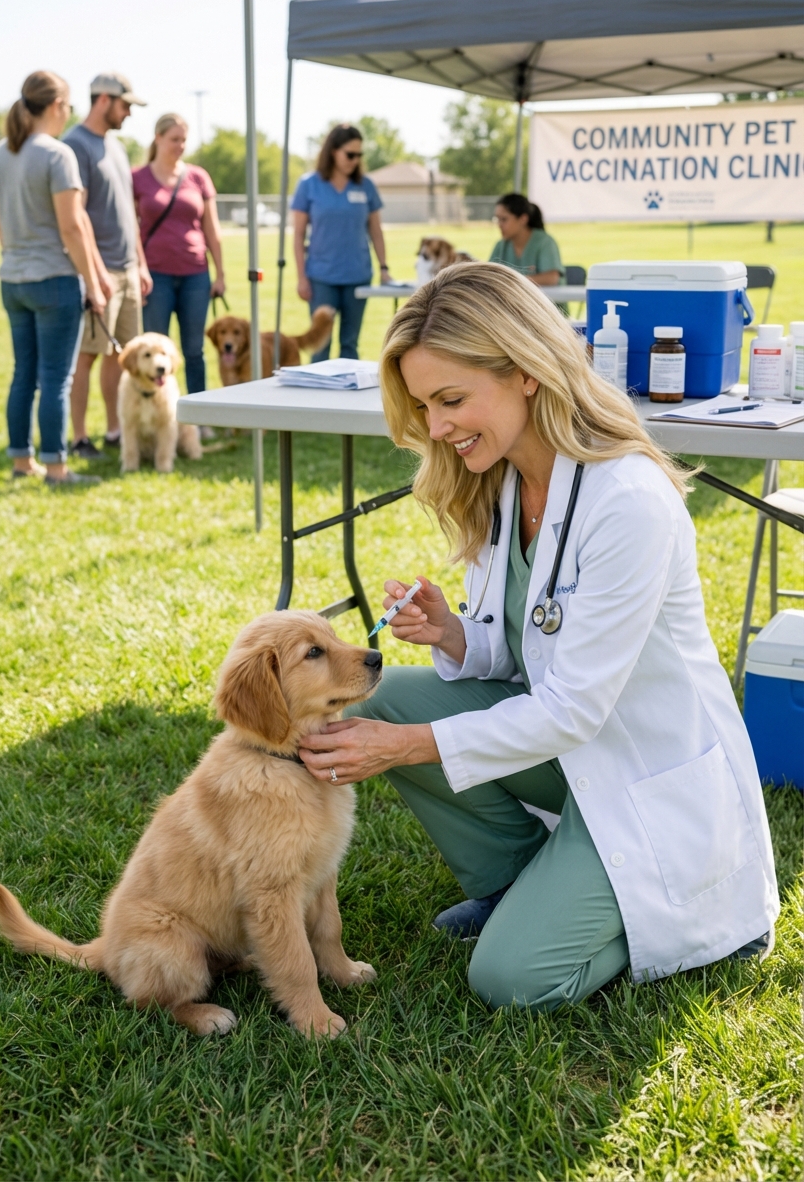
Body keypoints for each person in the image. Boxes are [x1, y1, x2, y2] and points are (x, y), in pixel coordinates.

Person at [295, 261, 778, 1013]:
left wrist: (408, 748)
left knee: (511, 979)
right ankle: (518, 883)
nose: (437, 427)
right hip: (572, 756)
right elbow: (525, 646)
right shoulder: (503, 480)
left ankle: (677, 914)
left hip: (646, 776)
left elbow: (572, 709)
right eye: (425, 405)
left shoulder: (628, 503)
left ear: (525, 371)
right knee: (378, 703)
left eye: (452, 399)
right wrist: (456, 635)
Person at [0, 71, 104, 486]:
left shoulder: (2, 152)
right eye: (69, 105)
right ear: (56, 106)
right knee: (56, 378)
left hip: (13, 279)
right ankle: (56, 467)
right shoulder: (57, 154)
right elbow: (72, 228)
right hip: (53, 279)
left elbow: (0, 222)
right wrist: (93, 282)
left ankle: (23, 461)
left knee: (25, 374)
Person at [65, 73, 153, 458]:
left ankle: (115, 430)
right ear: (103, 99)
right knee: (86, 354)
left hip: (129, 269)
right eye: (125, 105)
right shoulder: (74, 145)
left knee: (122, 355)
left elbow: (128, 214)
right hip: (98, 272)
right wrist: (94, 275)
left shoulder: (116, 147)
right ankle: (81, 436)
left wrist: (141, 264)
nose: (129, 113)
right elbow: (75, 216)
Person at [132, 113, 224, 396]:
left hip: (195, 273)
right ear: (158, 138)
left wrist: (220, 273)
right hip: (155, 274)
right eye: (174, 139)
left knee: (194, 350)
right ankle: (158, 411)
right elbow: (130, 229)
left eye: (184, 140)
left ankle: (200, 415)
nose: (180, 145)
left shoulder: (198, 177)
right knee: (155, 349)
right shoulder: (137, 178)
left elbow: (212, 228)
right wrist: (140, 268)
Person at [291, 124, 390, 363]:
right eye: (350, 154)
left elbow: (376, 230)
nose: (354, 160)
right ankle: (316, 399)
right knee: (320, 344)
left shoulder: (365, 185)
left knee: (350, 344)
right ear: (333, 151)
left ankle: (347, 400)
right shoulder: (309, 185)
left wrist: (384, 267)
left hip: (357, 275)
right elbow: (297, 235)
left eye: (359, 155)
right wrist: (302, 277)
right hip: (321, 277)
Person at [489, 193, 564, 287]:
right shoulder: (501, 246)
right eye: (497, 219)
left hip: (545, 301)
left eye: (504, 219)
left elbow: (551, 278)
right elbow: (490, 276)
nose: (499, 224)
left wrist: (512, 281)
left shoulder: (544, 242)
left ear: (523, 219)